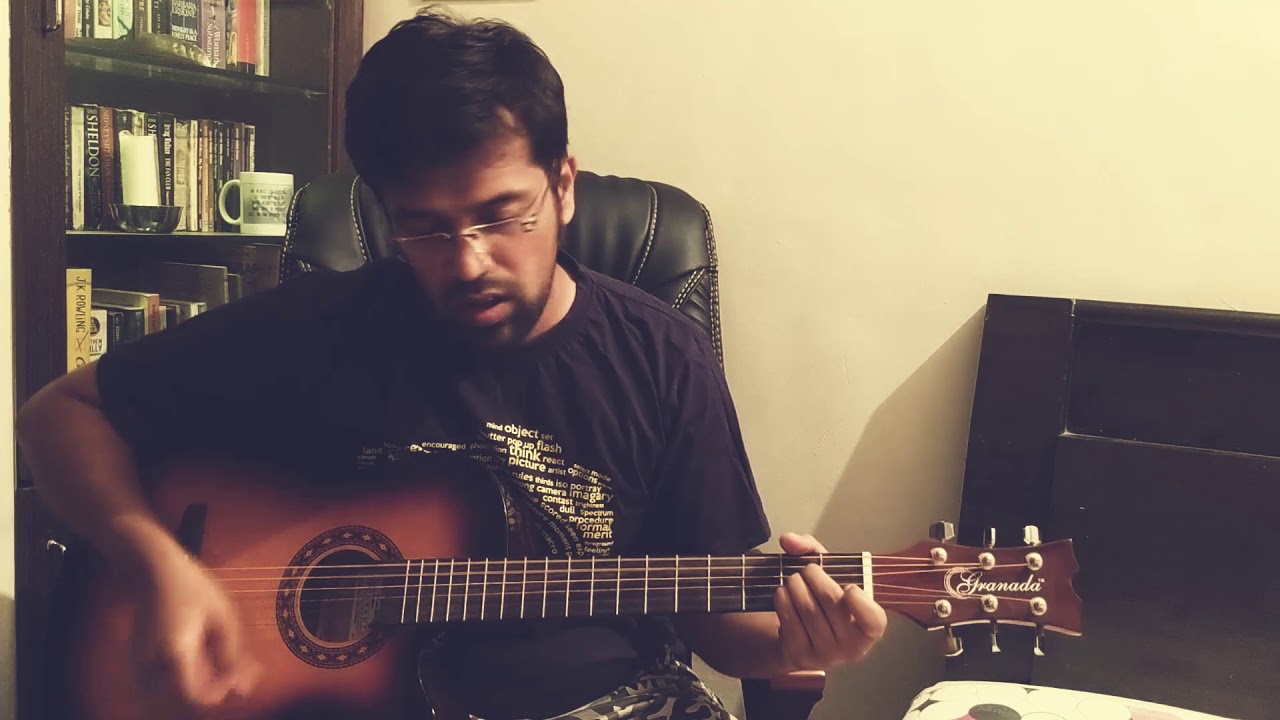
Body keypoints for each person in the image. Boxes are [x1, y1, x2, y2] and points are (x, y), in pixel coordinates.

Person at [16, 8, 887, 720]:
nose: (468, 261)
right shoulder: (321, 326)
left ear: (565, 185)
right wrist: (155, 565)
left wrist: (798, 641)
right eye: (425, 227)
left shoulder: (660, 356)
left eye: (502, 214)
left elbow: (716, 626)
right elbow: (62, 414)